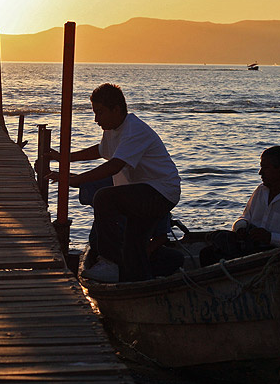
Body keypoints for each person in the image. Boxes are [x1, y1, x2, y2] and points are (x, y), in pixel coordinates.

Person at [47, 83, 181, 283]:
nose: (96, 119)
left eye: (100, 112)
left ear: (116, 109)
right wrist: (63, 158)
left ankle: (108, 263)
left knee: (104, 198)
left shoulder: (134, 130)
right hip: (144, 193)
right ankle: (138, 281)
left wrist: (72, 180)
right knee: (132, 245)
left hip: (160, 193)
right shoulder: (112, 130)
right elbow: (100, 151)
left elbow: (114, 166)